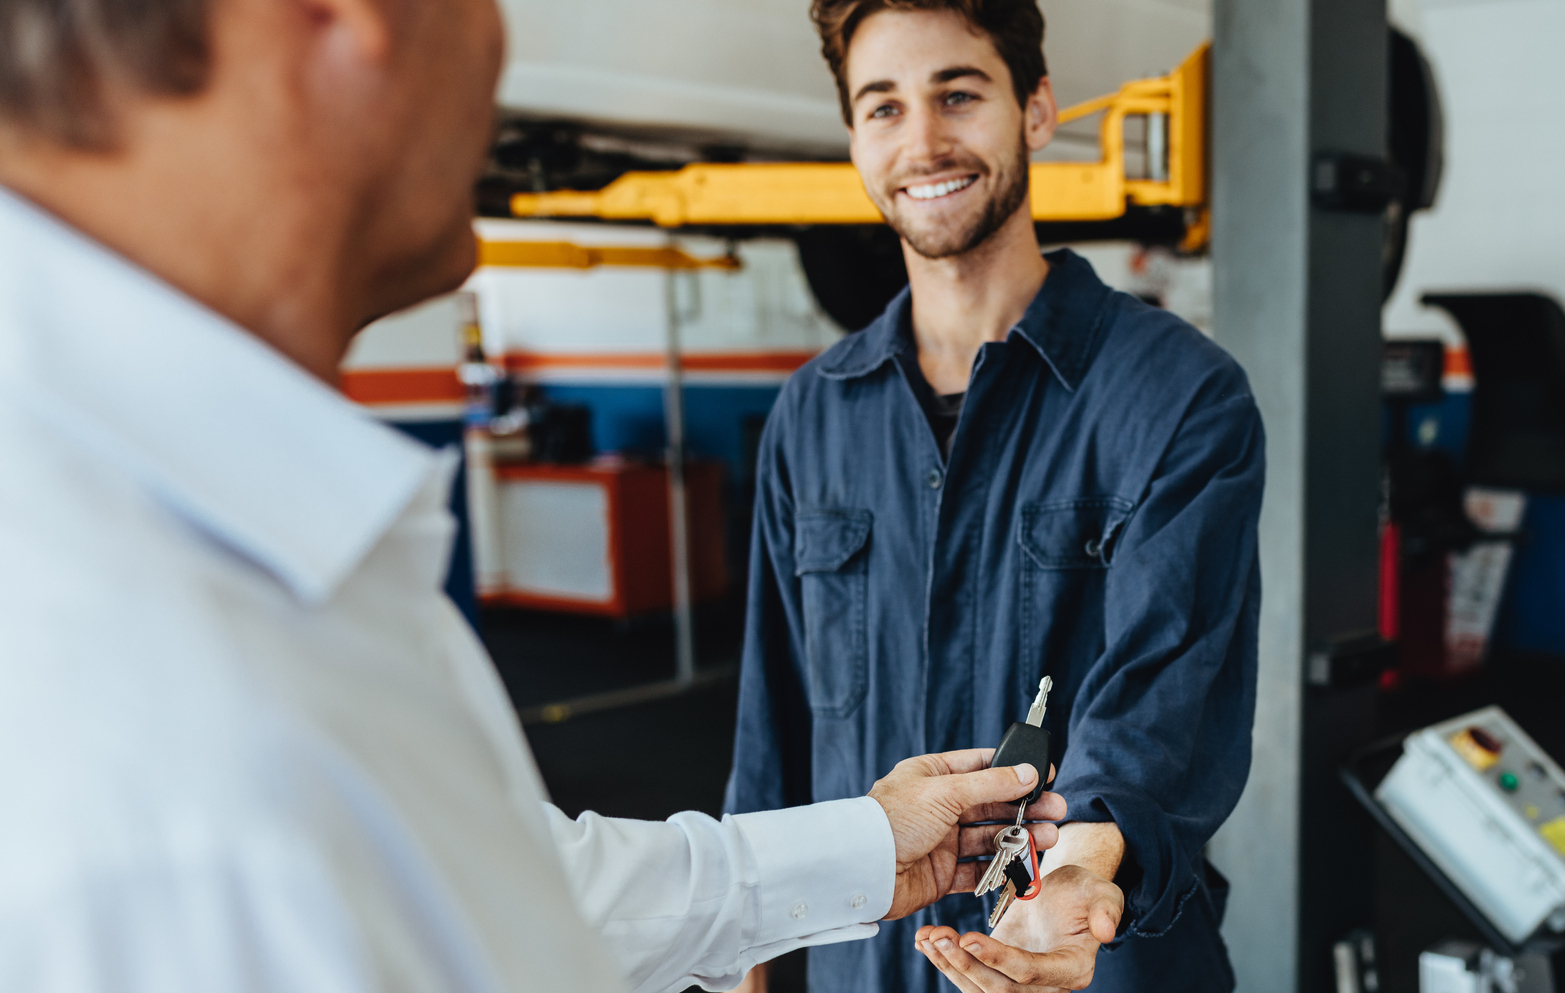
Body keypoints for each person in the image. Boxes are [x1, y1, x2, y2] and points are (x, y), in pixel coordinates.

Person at [0, 1, 1069, 991]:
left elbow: (497, 881)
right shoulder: (145, 724)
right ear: (341, 17)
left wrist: (862, 845)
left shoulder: (206, 552)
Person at [725, 2, 1264, 991]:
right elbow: (775, 725)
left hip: (1083, 959)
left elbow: (1164, 697)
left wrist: (1076, 870)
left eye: (958, 95)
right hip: (864, 966)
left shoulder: (1179, 396)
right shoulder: (812, 414)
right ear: (854, 139)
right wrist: (745, 953)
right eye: (883, 108)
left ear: (1037, 109)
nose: (923, 141)